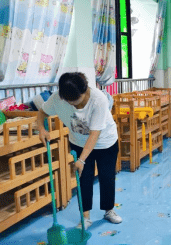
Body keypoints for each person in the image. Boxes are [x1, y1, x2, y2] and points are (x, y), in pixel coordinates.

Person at [37, 72, 121, 229]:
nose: (75, 106)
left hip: (105, 142)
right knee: (84, 179)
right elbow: (42, 112)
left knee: (107, 177)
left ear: (85, 90)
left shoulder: (98, 100)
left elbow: (95, 134)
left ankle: (109, 210)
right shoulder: (57, 98)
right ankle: (85, 217)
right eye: (70, 103)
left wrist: (81, 160)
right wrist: (41, 129)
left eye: (77, 102)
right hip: (78, 143)